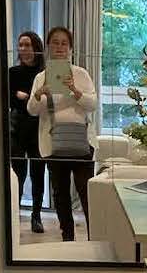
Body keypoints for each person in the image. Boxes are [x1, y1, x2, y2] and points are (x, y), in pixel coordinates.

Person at [27, 25, 98, 241]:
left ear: (71, 49)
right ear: (48, 47)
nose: (60, 47)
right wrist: (39, 94)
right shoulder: (41, 77)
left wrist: (75, 91)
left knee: (86, 192)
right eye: (55, 43)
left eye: (64, 43)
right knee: (60, 194)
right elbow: (32, 110)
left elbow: (93, 105)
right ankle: (68, 237)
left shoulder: (81, 74)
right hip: (53, 142)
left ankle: (95, 238)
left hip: (82, 142)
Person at [8, 31, 46, 233]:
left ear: (36, 48)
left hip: (39, 129)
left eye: (27, 45)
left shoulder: (44, 75)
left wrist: (26, 97)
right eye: (20, 45)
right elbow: (9, 100)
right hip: (17, 129)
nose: (23, 49)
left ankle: (36, 216)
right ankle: (14, 215)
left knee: (38, 174)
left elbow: (45, 103)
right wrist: (30, 98)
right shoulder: (12, 72)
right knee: (18, 174)